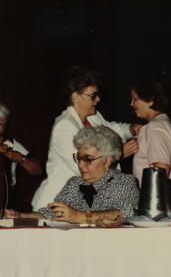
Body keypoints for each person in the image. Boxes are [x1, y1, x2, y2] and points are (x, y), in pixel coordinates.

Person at [31, 66, 141, 210]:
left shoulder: (94, 117)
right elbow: (83, 167)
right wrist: (119, 154)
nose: (98, 99)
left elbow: (113, 130)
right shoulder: (64, 127)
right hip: (56, 203)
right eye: (93, 96)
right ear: (76, 97)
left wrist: (131, 129)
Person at [7, 126, 139, 227]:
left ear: (107, 160)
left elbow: (125, 214)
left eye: (88, 159)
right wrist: (20, 216)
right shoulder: (74, 183)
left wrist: (78, 216)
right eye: (79, 158)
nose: (81, 164)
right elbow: (48, 214)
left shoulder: (124, 182)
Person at [0, 100, 42, 209]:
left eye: (4, 125)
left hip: (7, 200)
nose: (1, 130)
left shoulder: (10, 143)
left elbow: (38, 170)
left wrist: (21, 159)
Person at [129, 78, 171, 187]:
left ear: (150, 99)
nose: (131, 104)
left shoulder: (155, 127)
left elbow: (160, 171)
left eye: (134, 99)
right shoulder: (162, 123)